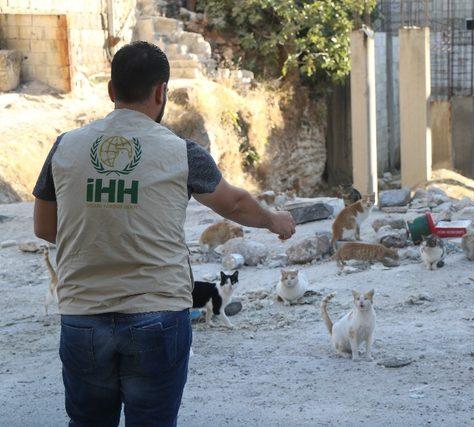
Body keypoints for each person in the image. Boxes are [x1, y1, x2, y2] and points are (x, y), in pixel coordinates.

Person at [32, 41, 295, 426]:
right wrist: (275, 220)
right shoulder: (182, 152)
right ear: (161, 92)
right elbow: (234, 204)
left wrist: (100, 230)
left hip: (83, 315)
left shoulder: (65, 146)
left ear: (111, 91)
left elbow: (44, 227)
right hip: (157, 317)